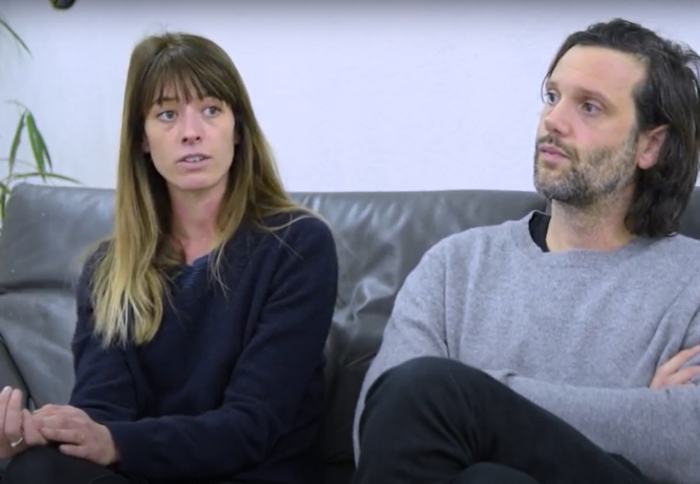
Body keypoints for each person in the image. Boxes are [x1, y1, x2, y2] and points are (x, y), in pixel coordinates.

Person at [353, 18, 700, 484]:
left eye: (590, 107)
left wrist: (472, 392)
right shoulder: (455, 266)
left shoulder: (692, 280)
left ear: (649, 145)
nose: (553, 121)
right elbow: (384, 422)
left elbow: (689, 440)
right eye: (552, 96)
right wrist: (637, 413)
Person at [0, 32, 338, 484]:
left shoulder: (298, 245)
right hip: (145, 473)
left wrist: (116, 443)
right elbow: (103, 410)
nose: (191, 131)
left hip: (254, 472)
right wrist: (52, 434)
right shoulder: (109, 269)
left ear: (238, 130)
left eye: (211, 110)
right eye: (167, 114)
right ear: (142, 139)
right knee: (37, 468)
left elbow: (252, 426)